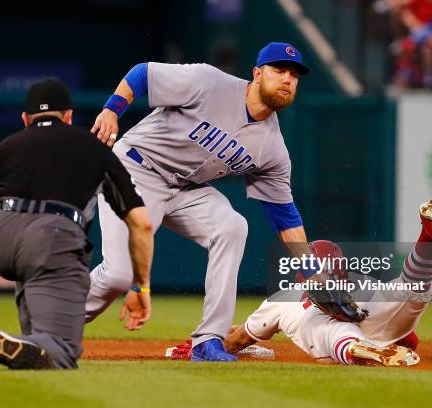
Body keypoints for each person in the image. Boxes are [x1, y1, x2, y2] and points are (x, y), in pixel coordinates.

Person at [85, 42, 363, 362]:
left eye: (294, 74)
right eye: (279, 71)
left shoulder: (272, 149)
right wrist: (112, 109)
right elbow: (143, 74)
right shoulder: (209, 82)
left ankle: (208, 339)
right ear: (257, 74)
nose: (287, 79)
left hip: (185, 188)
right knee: (120, 273)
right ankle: (57, 319)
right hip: (134, 171)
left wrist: (313, 274)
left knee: (232, 226)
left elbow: (285, 217)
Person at [0, 78, 154, 369]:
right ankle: (44, 343)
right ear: (68, 116)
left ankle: (31, 341)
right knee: (64, 350)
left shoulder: (5, 147)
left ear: (25, 119)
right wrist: (140, 286)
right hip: (50, 238)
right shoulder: (92, 147)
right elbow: (142, 223)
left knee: (31, 253)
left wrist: (8, 243)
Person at [168, 200, 432, 366]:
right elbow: (408, 337)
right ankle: (428, 236)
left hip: (316, 321)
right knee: (411, 288)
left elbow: (240, 341)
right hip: (368, 307)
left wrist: (213, 344)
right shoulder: (357, 278)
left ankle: (359, 350)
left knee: (331, 333)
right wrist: (401, 333)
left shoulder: (281, 298)